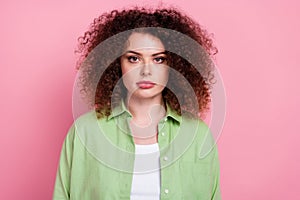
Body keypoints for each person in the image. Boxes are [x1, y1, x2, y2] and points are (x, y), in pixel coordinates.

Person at [53, 6, 221, 200]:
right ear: (116, 64)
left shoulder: (198, 136)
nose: (146, 71)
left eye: (158, 59)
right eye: (134, 59)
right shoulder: (84, 132)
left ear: (174, 66)